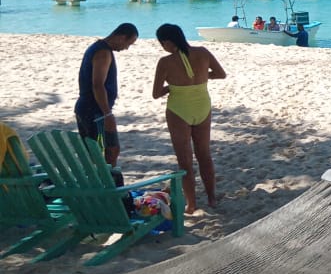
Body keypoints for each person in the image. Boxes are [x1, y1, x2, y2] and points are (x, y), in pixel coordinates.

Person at [152, 24, 226, 213]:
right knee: (204, 155)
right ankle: (211, 198)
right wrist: (202, 77)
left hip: (179, 109)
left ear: (166, 42)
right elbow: (221, 74)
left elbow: (156, 93)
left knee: (184, 160)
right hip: (202, 106)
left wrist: (172, 87)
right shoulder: (203, 52)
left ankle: (192, 204)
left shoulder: (165, 62)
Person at [74, 23, 139, 166]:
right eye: (128, 43)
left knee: (97, 151)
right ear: (121, 37)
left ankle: (101, 177)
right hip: (95, 110)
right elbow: (98, 85)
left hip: (87, 107)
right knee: (109, 150)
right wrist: (107, 113)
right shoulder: (103, 52)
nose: (126, 48)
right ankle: (107, 178)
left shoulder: (96, 47)